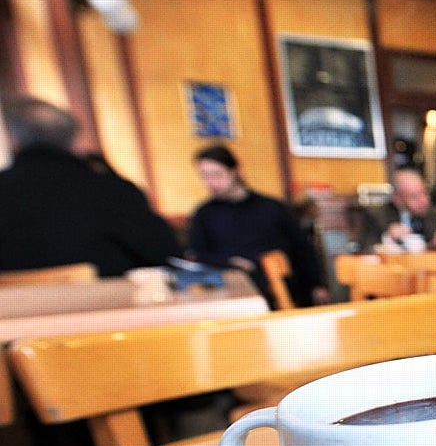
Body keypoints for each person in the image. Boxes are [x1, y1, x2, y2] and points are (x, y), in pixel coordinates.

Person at [0, 96, 182, 277]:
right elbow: (166, 256)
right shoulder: (112, 190)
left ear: (14, 140)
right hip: (111, 303)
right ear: (74, 140)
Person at [187, 143, 329, 307]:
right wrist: (230, 263)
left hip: (280, 291)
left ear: (235, 172)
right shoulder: (204, 213)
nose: (211, 182)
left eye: (217, 174)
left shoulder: (272, 208)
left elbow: (302, 250)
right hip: (229, 295)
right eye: (205, 176)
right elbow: (196, 255)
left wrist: (317, 285)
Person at [356, 168, 436, 251]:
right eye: (414, 197)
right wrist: (387, 238)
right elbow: (366, 251)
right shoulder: (377, 216)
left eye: (424, 193)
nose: (423, 201)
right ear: (397, 199)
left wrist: (434, 246)